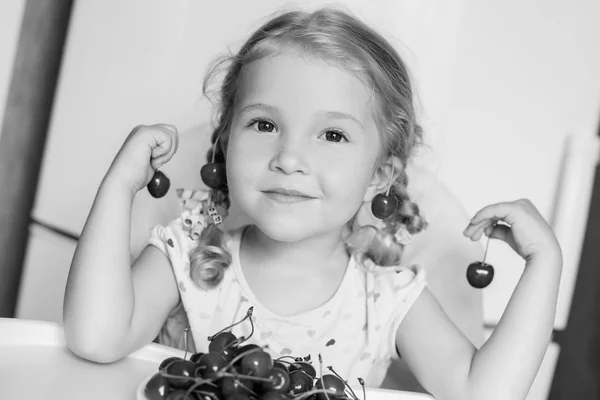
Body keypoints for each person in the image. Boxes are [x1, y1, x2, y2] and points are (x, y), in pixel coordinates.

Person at [63, 7, 562, 400]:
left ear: (379, 175)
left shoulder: (384, 302)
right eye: (264, 124)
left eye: (332, 134)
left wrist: (545, 264)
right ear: (225, 140)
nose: (290, 157)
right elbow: (94, 338)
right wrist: (119, 186)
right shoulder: (189, 254)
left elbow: (485, 391)